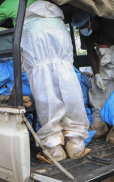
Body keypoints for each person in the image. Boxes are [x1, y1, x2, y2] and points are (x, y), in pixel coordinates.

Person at [21, 1, 90, 161]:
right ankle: (76, 144)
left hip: (33, 35)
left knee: (45, 92)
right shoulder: (54, 1)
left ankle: (54, 150)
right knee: (69, 84)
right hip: (58, 31)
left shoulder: (12, 3)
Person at [71, 8, 114, 139]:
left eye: (84, 26)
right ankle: (99, 125)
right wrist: (96, 75)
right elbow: (90, 52)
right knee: (97, 89)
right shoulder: (85, 31)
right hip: (105, 56)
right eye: (79, 27)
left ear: (92, 20)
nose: (82, 29)